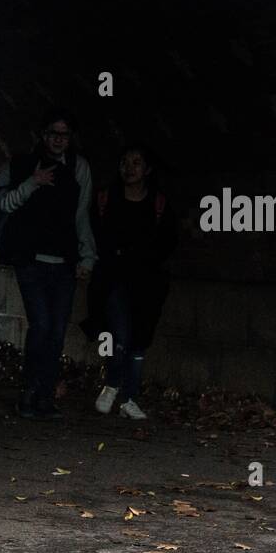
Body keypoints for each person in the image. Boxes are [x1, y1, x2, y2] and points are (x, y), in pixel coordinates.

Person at [0, 110, 97, 420]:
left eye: (63, 134)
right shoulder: (22, 164)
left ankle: (45, 396)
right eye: (52, 133)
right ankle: (30, 393)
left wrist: (88, 256)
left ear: (70, 138)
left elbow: (82, 215)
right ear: (42, 135)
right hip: (31, 261)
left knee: (57, 331)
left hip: (64, 264)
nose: (57, 140)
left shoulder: (78, 168)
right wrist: (32, 183)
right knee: (42, 325)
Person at [85, 145, 177, 420]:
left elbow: (168, 241)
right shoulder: (105, 199)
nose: (129, 168)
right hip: (113, 279)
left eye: (136, 163)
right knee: (119, 336)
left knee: (139, 341)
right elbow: (94, 234)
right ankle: (113, 383)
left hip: (146, 283)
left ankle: (129, 398)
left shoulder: (158, 203)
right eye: (125, 162)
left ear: (147, 169)